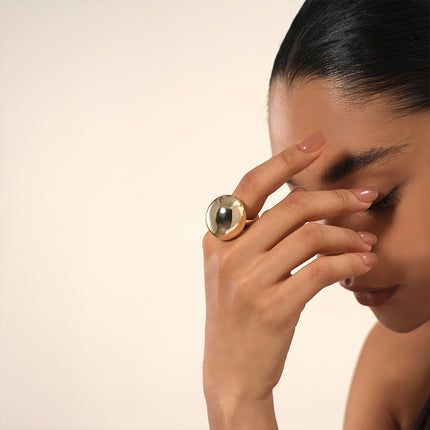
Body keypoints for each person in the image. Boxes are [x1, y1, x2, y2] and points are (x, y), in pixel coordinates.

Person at [202, 0, 430, 429]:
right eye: (309, 208)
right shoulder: (398, 369)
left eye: (375, 199)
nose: (332, 260)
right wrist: (236, 395)